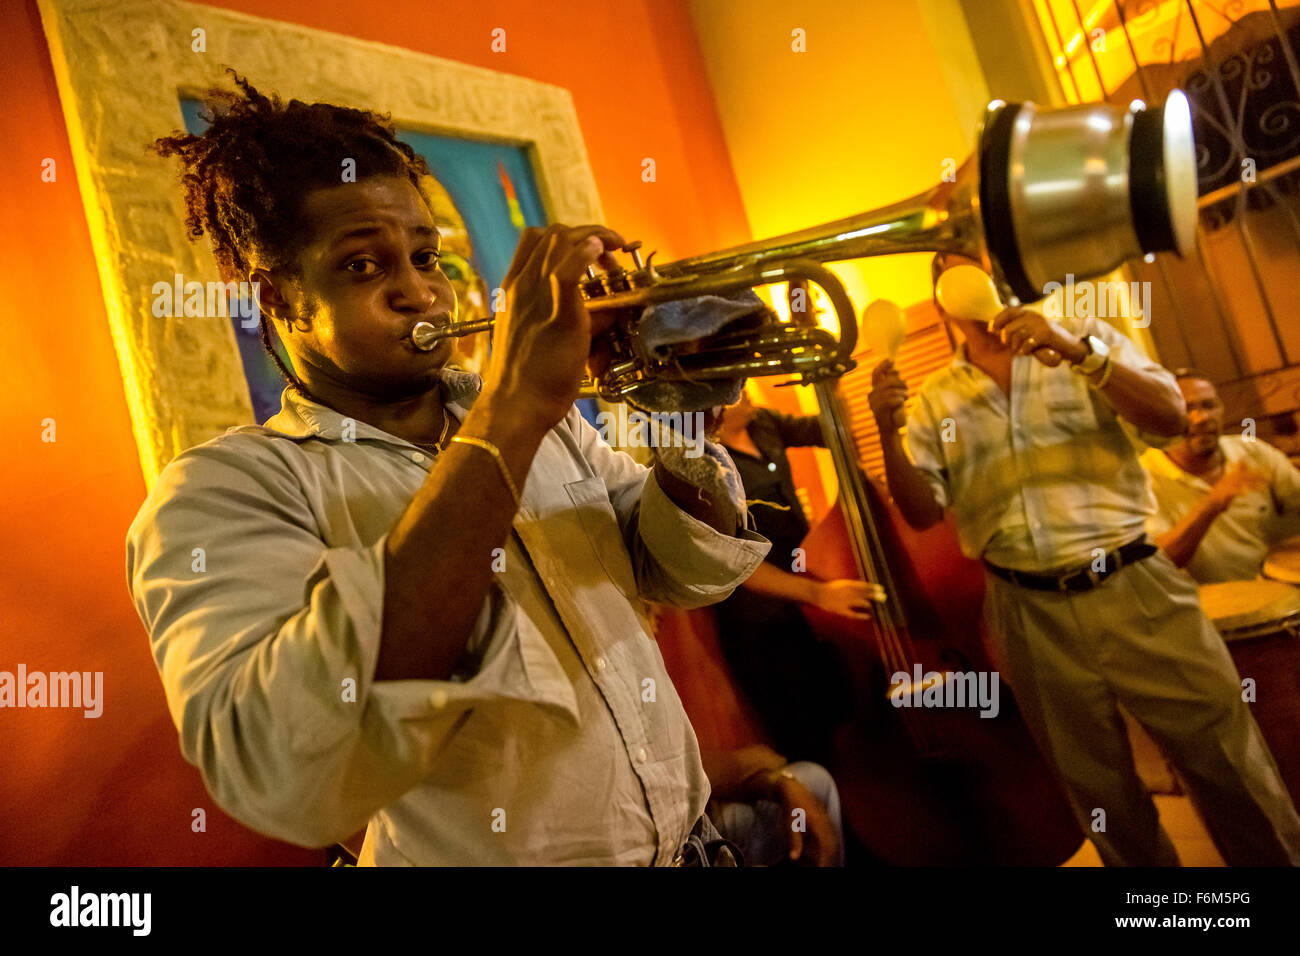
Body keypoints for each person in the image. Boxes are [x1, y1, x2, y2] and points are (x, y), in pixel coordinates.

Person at [126, 71, 777, 866]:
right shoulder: (226, 493)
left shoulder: (535, 420)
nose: (419, 292)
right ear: (282, 300)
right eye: (363, 266)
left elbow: (681, 571)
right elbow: (279, 767)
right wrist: (513, 413)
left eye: (426, 256)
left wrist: (681, 415)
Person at [866, 251, 1300, 866]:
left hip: (1134, 583)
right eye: (957, 278)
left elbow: (1171, 416)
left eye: (983, 268)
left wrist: (1077, 352)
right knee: (1098, 791)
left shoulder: (1084, 339)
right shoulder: (937, 401)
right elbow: (922, 511)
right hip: (1025, 609)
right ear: (943, 305)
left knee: (1225, 760)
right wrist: (887, 431)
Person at [709, 388, 882, 767]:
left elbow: (830, 430)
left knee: (838, 710)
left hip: (809, 588)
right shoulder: (703, 464)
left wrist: (831, 383)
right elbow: (737, 563)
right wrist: (818, 594)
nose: (745, 389)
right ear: (710, 409)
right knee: (802, 732)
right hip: (763, 617)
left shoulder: (765, 422)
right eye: (731, 388)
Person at [1142, 369, 1300, 583]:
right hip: (1214, 610)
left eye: (1209, 405)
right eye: (1187, 409)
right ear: (1163, 417)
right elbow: (1160, 563)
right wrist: (1213, 503)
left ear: (1221, 408)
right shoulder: (1144, 478)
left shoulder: (1253, 452)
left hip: (1284, 594)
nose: (1202, 418)